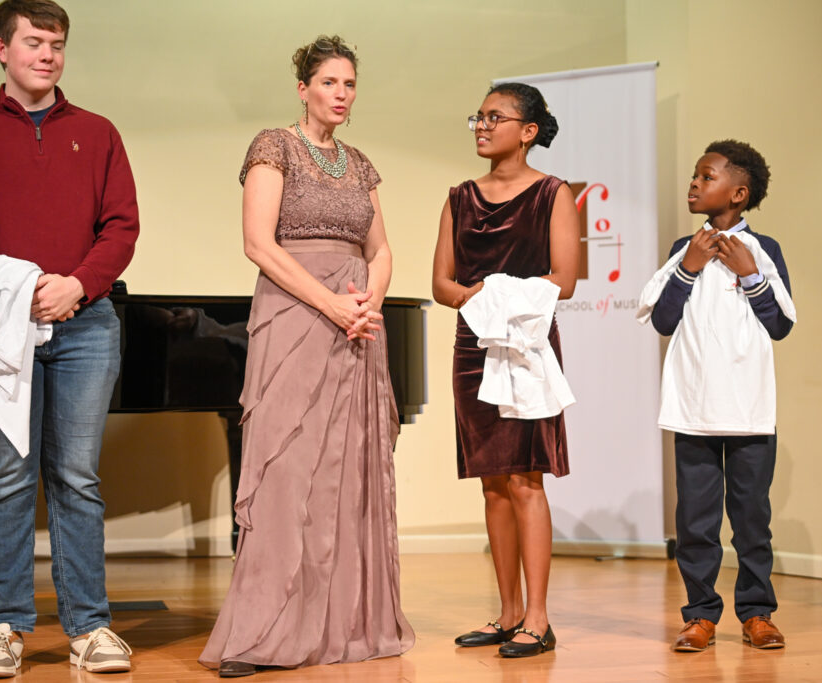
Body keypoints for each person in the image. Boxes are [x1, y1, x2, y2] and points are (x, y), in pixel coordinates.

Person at [0, 0, 139, 678]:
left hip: (85, 324)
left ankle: (90, 628)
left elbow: (121, 227)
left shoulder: (98, 133)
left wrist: (77, 284)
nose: (47, 54)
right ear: (2, 48)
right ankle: (4, 628)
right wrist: (19, 285)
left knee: (77, 477)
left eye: (56, 44)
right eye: (33, 42)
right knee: (6, 477)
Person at [199, 35, 414, 678]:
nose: (341, 94)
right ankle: (262, 633)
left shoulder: (361, 164)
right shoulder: (274, 146)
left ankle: (345, 625)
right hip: (297, 313)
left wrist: (369, 303)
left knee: (348, 472)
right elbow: (258, 244)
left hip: (356, 323)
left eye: (349, 84)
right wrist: (332, 304)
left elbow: (381, 249)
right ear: (303, 88)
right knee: (287, 470)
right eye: (329, 82)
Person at [431, 82, 579, 658]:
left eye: (496, 117)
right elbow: (441, 283)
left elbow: (564, 278)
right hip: (473, 348)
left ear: (528, 131)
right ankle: (509, 611)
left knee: (524, 480)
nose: (482, 126)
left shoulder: (552, 193)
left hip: (525, 347)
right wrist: (478, 299)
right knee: (492, 482)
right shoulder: (459, 197)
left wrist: (495, 295)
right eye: (479, 116)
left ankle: (539, 618)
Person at [637, 140, 795, 652]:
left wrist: (750, 272)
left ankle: (757, 614)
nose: (694, 183)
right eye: (695, 175)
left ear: (738, 193)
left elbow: (780, 325)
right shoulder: (683, 249)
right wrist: (688, 267)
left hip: (749, 409)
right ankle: (700, 616)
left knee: (751, 519)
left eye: (706, 177)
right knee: (696, 521)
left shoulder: (765, 250)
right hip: (694, 408)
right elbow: (663, 320)